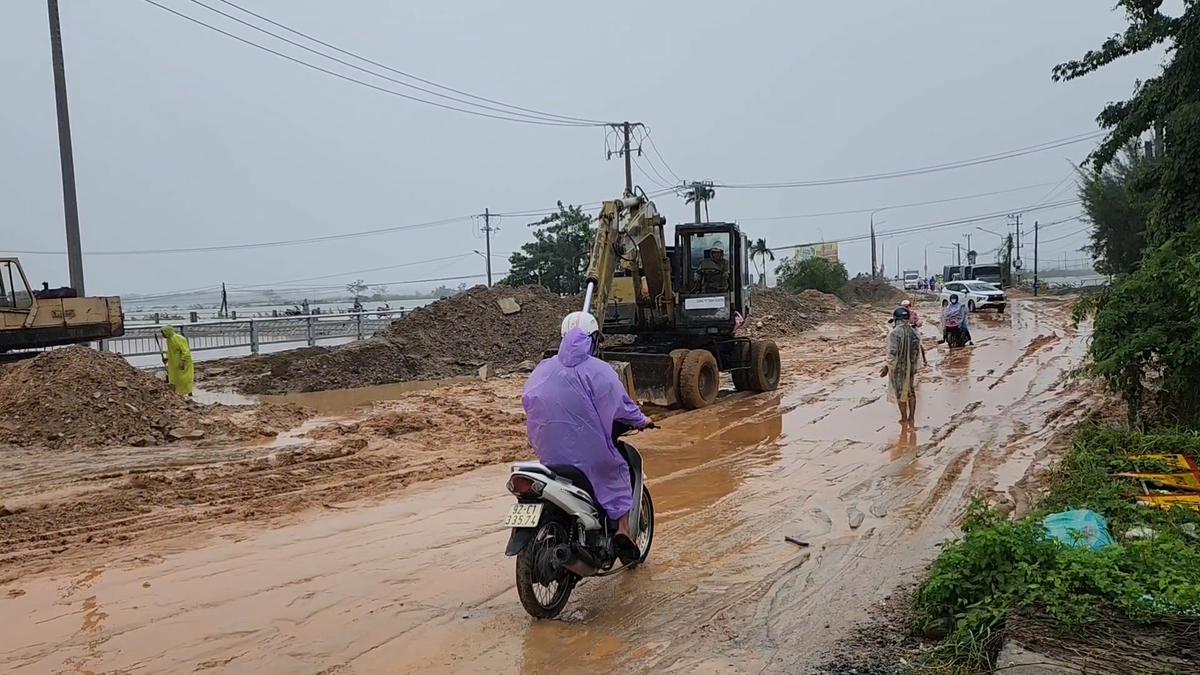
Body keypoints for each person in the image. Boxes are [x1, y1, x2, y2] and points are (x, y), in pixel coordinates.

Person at [522, 311, 652, 564]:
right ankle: (623, 530)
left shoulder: (543, 369)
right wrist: (642, 420)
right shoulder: (599, 370)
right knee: (617, 471)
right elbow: (621, 406)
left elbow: (529, 401)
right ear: (593, 340)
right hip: (588, 455)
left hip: (548, 454)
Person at [881, 307, 924, 425]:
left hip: (898, 368)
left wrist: (887, 367)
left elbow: (892, 353)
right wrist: (915, 366)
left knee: (900, 393)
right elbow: (917, 352)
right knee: (911, 391)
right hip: (910, 367)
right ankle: (912, 418)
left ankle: (904, 418)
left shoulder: (894, 334)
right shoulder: (913, 332)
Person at [160, 325, 194, 396]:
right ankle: (178, 393)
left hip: (183, 361)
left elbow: (185, 350)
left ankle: (189, 392)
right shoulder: (169, 340)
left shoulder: (178, 338)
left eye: (163, 333)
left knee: (185, 378)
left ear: (167, 332)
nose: (162, 335)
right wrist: (167, 358)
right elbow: (170, 351)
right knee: (176, 378)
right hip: (174, 362)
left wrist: (183, 360)